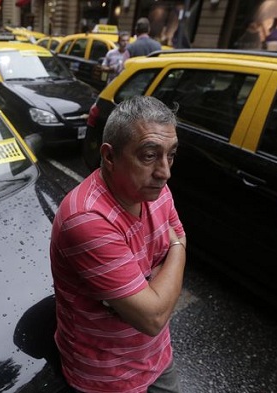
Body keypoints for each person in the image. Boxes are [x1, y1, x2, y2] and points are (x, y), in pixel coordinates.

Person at [50, 95, 187, 393]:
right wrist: (176, 251)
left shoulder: (156, 190)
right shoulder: (87, 218)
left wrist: (148, 293)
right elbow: (153, 316)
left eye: (171, 154)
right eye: (149, 156)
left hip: (158, 356)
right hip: (107, 378)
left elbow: (152, 309)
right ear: (110, 157)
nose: (165, 172)